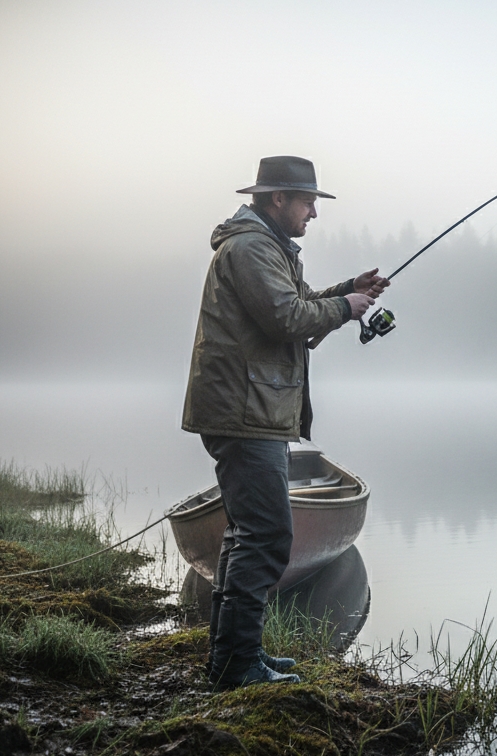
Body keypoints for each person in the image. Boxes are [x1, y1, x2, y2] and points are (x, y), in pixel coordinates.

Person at [182, 155, 389, 689]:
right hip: (245, 413)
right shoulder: (252, 248)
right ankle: (237, 665)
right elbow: (287, 318)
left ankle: (235, 658)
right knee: (266, 534)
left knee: (248, 535)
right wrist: (345, 307)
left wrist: (347, 290)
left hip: (252, 409)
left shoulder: (264, 245)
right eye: (308, 202)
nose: (313, 213)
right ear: (278, 199)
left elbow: (295, 305)